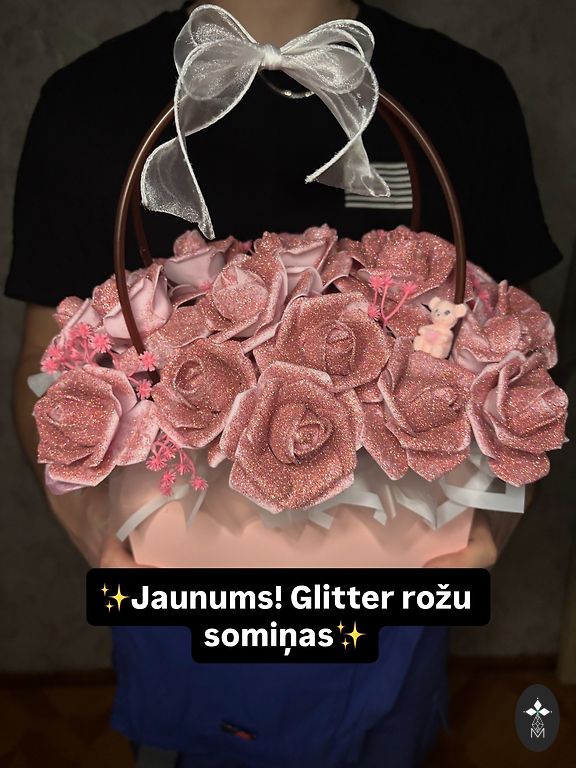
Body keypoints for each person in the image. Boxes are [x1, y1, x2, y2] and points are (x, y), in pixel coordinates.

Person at [7, 0, 561, 766]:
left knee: (383, 739)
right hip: (184, 601)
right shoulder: (93, 103)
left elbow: (517, 358)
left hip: (394, 590)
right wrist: (96, 531)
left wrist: (491, 526)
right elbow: (48, 364)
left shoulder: (462, 95)